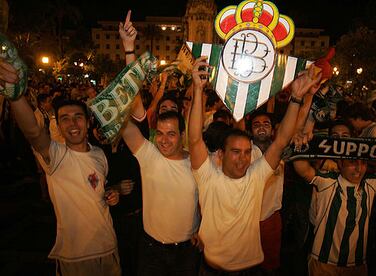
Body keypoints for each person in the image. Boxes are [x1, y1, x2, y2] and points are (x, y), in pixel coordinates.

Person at [188, 56, 321, 273]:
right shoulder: (207, 176)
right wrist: (197, 89)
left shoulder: (256, 177)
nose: (243, 158)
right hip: (211, 269)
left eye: (248, 152)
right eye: (236, 152)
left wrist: (297, 97)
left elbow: (280, 142)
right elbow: (194, 140)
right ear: (220, 154)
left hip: (251, 270)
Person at [0, 60, 121, 275]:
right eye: (65, 119)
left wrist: (112, 194)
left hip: (109, 247)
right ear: (58, 125)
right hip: (75, 256)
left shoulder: (99, 153)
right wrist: (15, 95)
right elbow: (34, 132)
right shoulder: (55, 156)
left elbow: (98, 190)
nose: (73, 124)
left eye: (78, 117)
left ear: (88, 121)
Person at [120, 10, 200, 275]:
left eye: (172, 134)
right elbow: (127, 117)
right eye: (161, 133)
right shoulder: (149, 155)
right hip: (151, 252)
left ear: (182, 134)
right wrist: (129, 49)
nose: (164, 140)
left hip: (187, 252)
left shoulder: (198, 163)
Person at [293, 131, 376, 276]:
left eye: (363, 162)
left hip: (357, 266)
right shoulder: (329, 181)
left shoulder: (371, 183)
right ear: (340, 162)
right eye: (352, 162)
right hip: (323, 263)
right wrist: (298, 145)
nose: (359, 168)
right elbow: (303, 169)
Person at [248, 110, 284, 273]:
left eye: (266, 124)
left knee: (269, 266)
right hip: (246, 219)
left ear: (273, 129)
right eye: (256, 125)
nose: (261, 128)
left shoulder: (281, 150)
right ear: (250, 131)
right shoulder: (244, 151)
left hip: (271, 218)